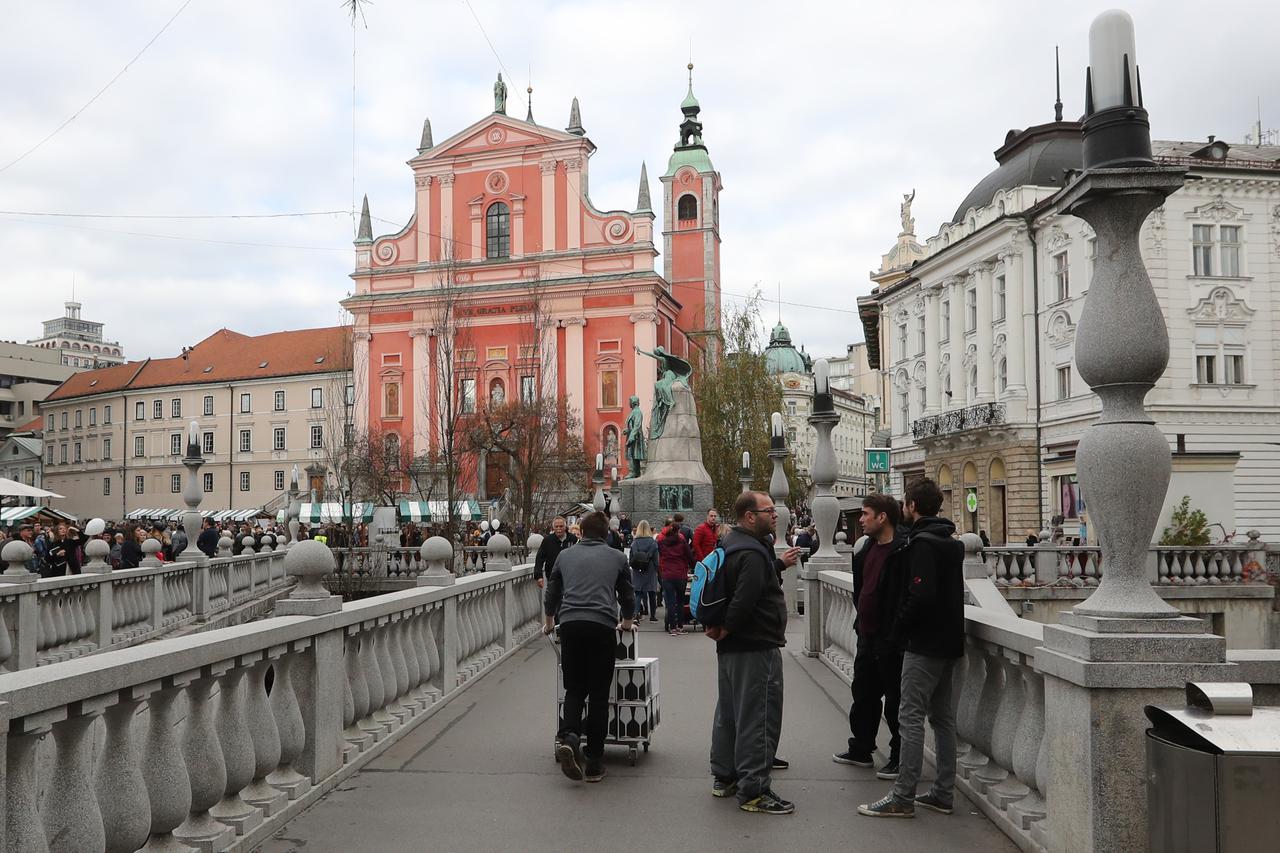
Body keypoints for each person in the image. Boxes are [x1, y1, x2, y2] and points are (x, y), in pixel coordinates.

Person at [859, 478, 964, 819]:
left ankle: (903, 795)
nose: (903, 509)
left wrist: (897, 628)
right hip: (950, 641)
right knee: (944, 719)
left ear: (913, 507)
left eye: (905, 504)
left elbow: (920, 596)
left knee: (910, 717)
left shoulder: (921, 544)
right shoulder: (951, 542)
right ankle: (943, 791)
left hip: (924, 643)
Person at [706, 491, 800, 814]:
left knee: (730, 713)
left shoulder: (729, 546)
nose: (775, 515)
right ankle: (755, 790)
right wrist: (727, 627)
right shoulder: (754, 553)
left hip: (732, 647)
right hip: (756, 644)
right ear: (750, 516)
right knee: (758, 715)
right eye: (769, 510)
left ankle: (725, 776)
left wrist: (720, 630)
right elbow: (744, 601)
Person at [543, 511, 634, 784]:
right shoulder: (617, 558)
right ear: (606, 533)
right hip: (602, 626)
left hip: (570, 624)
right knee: (598, 694)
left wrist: (549, 623)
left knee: (574, 688)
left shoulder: (565, 556)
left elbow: (552, 593)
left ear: (580, 531)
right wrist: (627, 622)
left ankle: (569, 737)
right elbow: (627, 595)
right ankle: (594, 761)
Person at [834, 494, 907, 778]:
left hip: (891, 640)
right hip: (867, 635)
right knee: (863, 694)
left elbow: (904, 598)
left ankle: (898, 756)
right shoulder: (865, 551)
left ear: (882, 517)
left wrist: (893, 632)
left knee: (896, 701)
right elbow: (861, 591)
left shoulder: (903, 551)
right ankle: (861, 748)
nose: (860, 520)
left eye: (865, 514)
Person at [658, 520, 694, 635]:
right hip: (680, 575)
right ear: (678, 530)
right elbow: (689, 557)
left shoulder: (662, 542)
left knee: (670, 602)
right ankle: (680, 626)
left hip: (667, 575)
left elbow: (660, 555)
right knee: (680, 602)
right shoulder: (682, 541)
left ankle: (672, 628)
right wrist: (693, 566)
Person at [628, 520, 660, 621]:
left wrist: (636, 567)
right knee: (652, 593)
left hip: (638, 569)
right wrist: (656, 569)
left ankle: (636, 614)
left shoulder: (634, 543)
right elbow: (656, 560)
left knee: (638, 593)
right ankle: (653, 616)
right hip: (650, 569)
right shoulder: (653, 543)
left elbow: (631, 559)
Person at [534, 517, 577, 590]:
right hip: (553, 577)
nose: (559, 529)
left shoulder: (573, 539)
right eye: (556, 527)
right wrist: (539, 576)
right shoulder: (548, 540)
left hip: (570, 577)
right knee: (554, 600)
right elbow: (539, 559)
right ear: (553, 527)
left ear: (565, 527)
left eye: (561, 526)